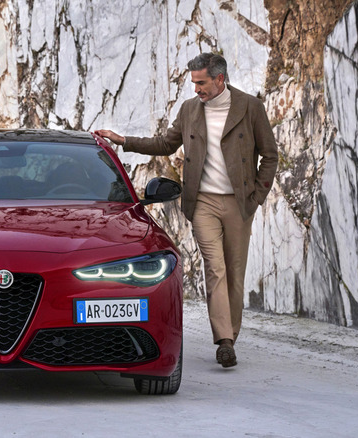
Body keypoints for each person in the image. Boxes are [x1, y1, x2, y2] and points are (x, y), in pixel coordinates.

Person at [95, 53, 278, 368]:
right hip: (202, 201)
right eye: (193, 83)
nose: (196, 90)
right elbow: (165, 144)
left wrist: (257, 195)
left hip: (239, 203)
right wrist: (123, 140)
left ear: (220, 79)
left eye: (201, 82)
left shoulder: (250, 107)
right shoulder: (190, 110)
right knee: (215, 268)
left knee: (235, 272)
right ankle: (224, 340)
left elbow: (270, 155)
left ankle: (231, 334)